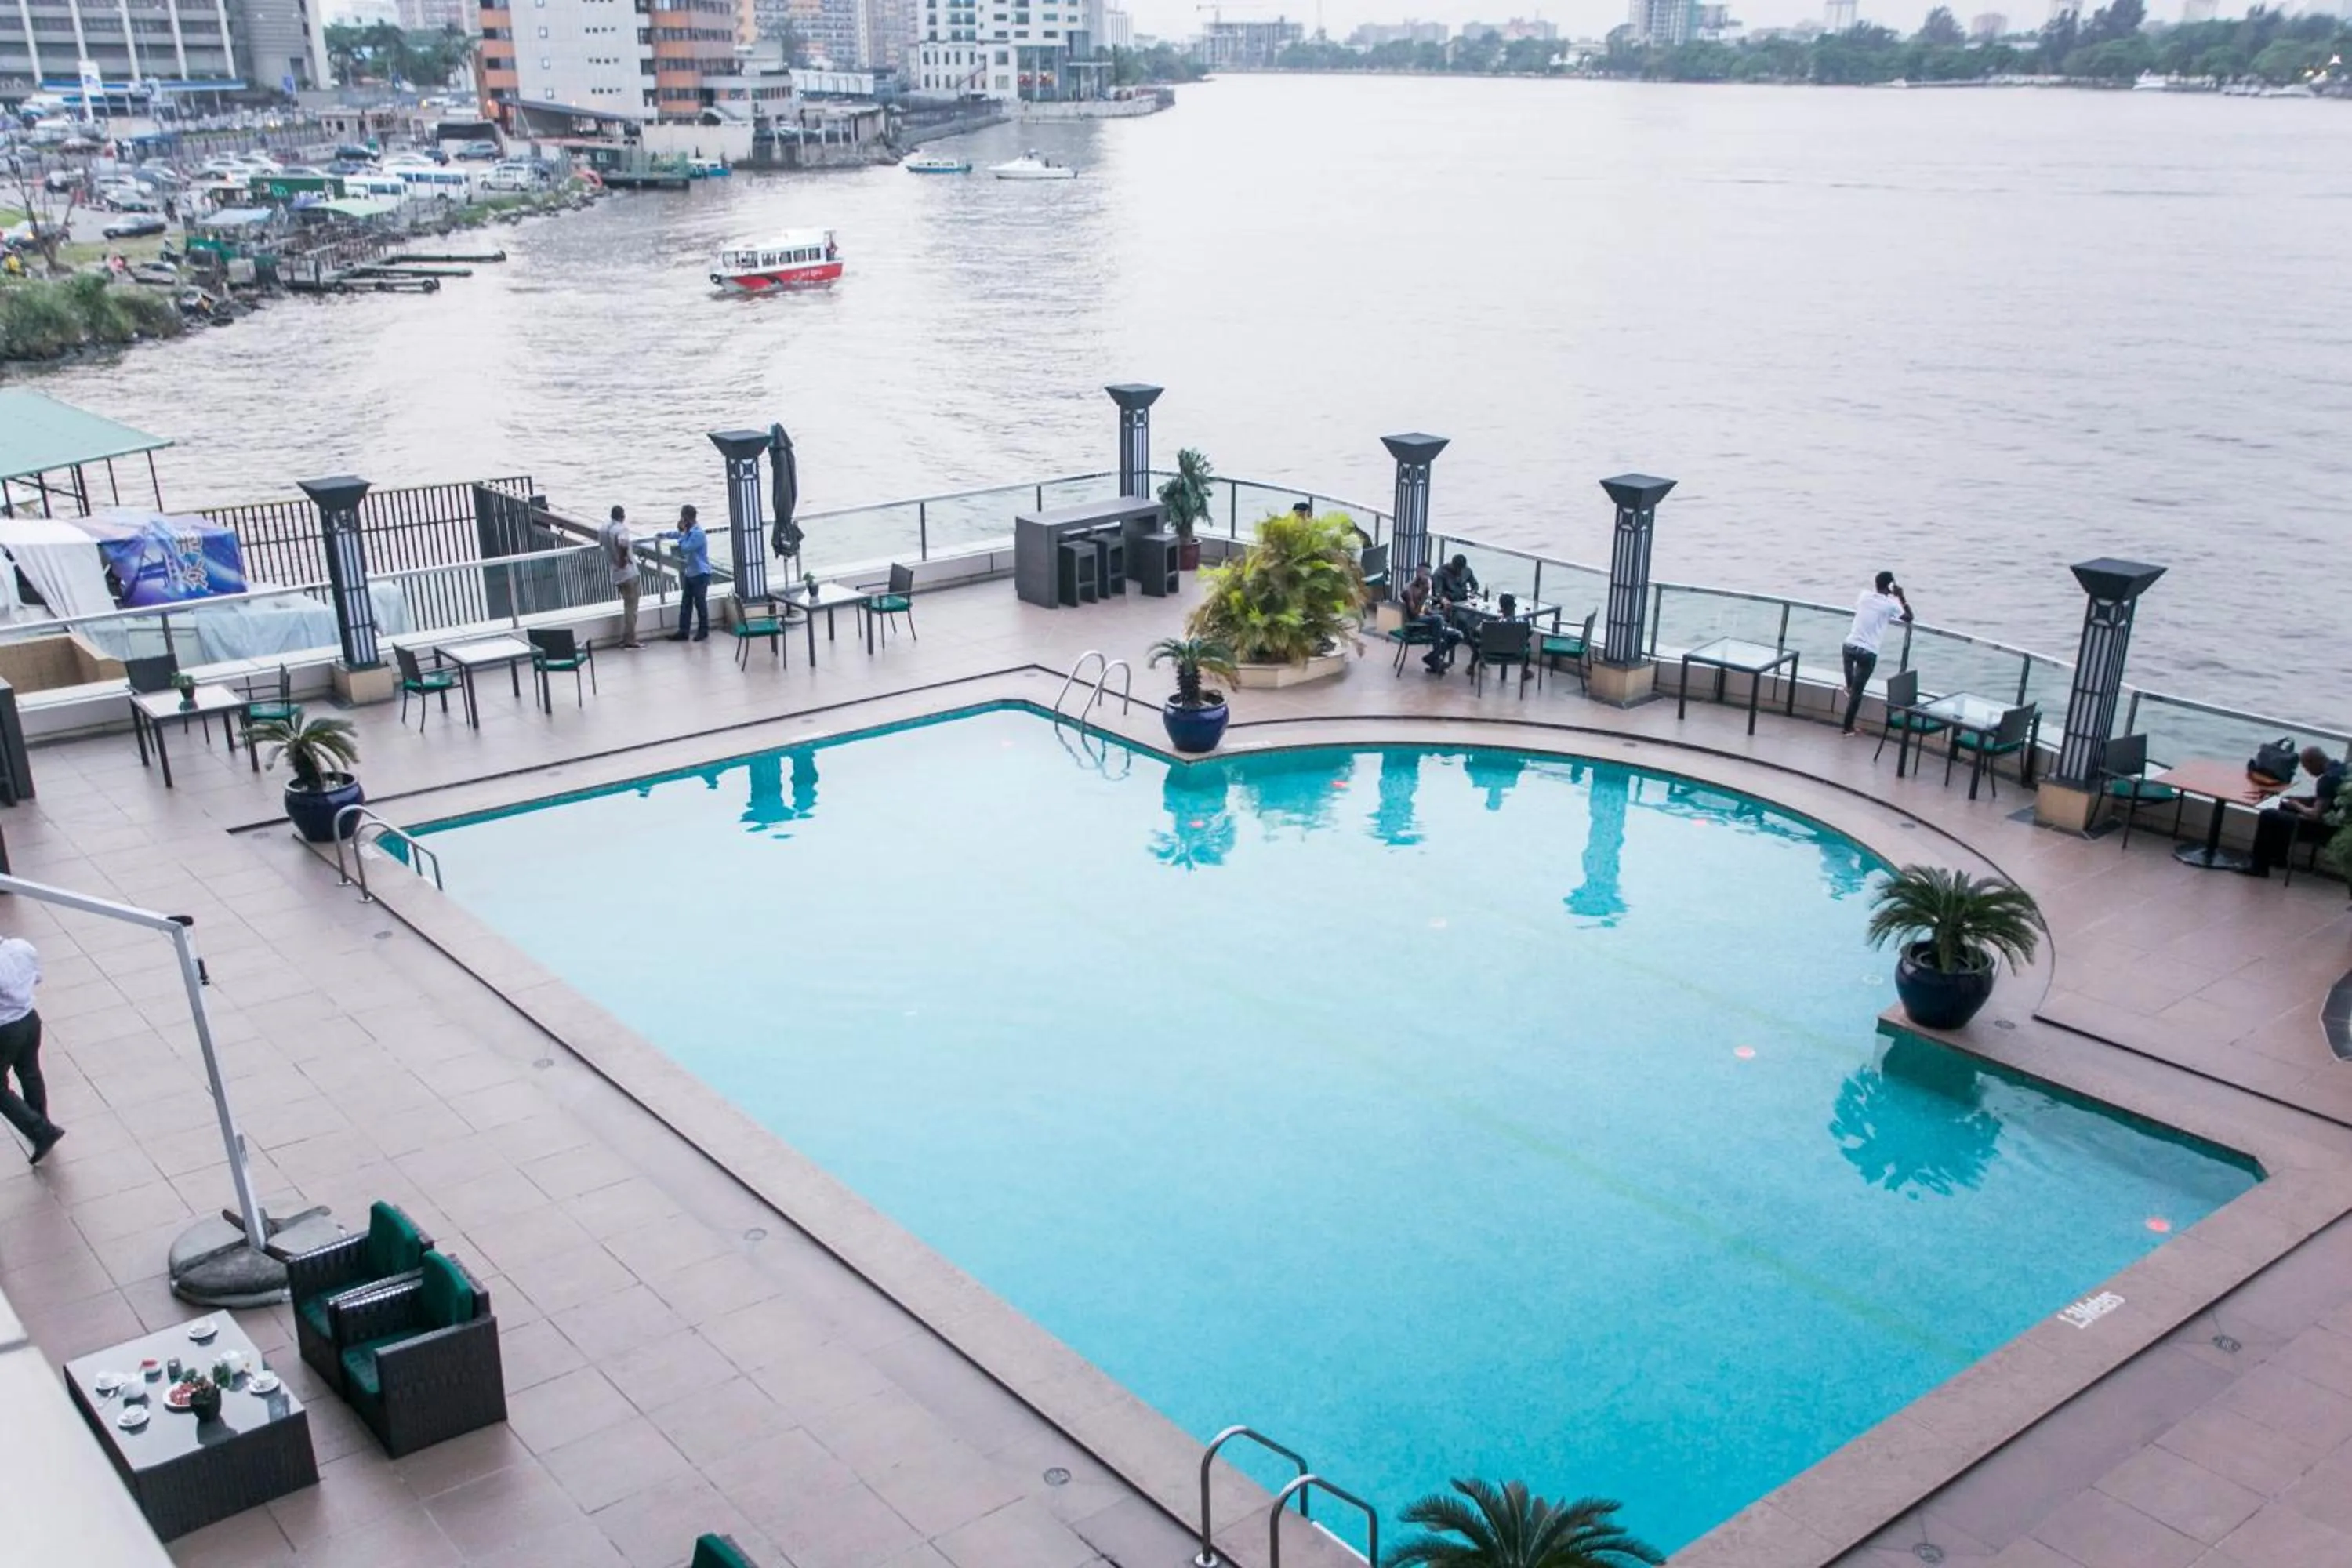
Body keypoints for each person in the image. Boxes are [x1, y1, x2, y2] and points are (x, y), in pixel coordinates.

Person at [0, 936, 63, 1165]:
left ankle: (40, 1130)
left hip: (4, 1029)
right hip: (29, 1019)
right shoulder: (23, 947)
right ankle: (41, 1123)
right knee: (30, 1072)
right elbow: (37, 977)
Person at [1840, 570, 1913, 736]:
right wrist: (1901, 597)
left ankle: (1849, 687)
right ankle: (1847, 728)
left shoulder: (1864, 596)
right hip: (1868, 651)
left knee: (1852, 688)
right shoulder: (1891, 604)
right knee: (1856, 695)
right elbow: (1909, 617)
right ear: (1890, 586)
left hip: (1849, 646)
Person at [2252, 747, 2346, 875]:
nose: (2308, 772)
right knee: (2285, 807)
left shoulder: (2326, 780)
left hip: (2325, 830)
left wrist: (2296, 805)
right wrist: (2303, 800)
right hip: (2343, 825)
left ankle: (2258, 867)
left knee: (2268, 815)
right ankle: (2278, 859)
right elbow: (2329, 800)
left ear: (2314, 762)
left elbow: (2315, 815)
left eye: (2307, 768)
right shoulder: (2343, 770)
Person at [657, 504, 710, 642]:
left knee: (700, 603)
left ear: (687, 518)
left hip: (700, 573)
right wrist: (665, 535)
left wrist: (681, 535)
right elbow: (677, 534)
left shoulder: (698, 533)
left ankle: (703, 630)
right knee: (685, 603)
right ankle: (683, 631)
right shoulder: (688, 531)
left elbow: (686, 548)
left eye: (682, 517)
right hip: (690, 572)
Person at [1400, 563, 1464, 673]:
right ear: (1418, 573)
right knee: (1438, 620)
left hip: (1428, 624)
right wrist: (1424, 596)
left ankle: (1432, 657)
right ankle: (1436, 660)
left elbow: (1425, 610)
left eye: (1429, 575)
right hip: (1415, 625)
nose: (1428, 578)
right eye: (1426, 575)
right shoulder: (1408, 590)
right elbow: (1414, 614)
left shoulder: (1424, 586)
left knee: (1458, 635)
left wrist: (1440, 611)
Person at [600, 505, 643, 649]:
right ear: (622, 517)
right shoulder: (621, 529)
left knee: (627, 605)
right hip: (628, 572)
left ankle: (626, 637)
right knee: (632, 608)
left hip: (615, 573)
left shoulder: (604, 528)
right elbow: (623, 544)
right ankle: (630, 639)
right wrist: (623, 560)